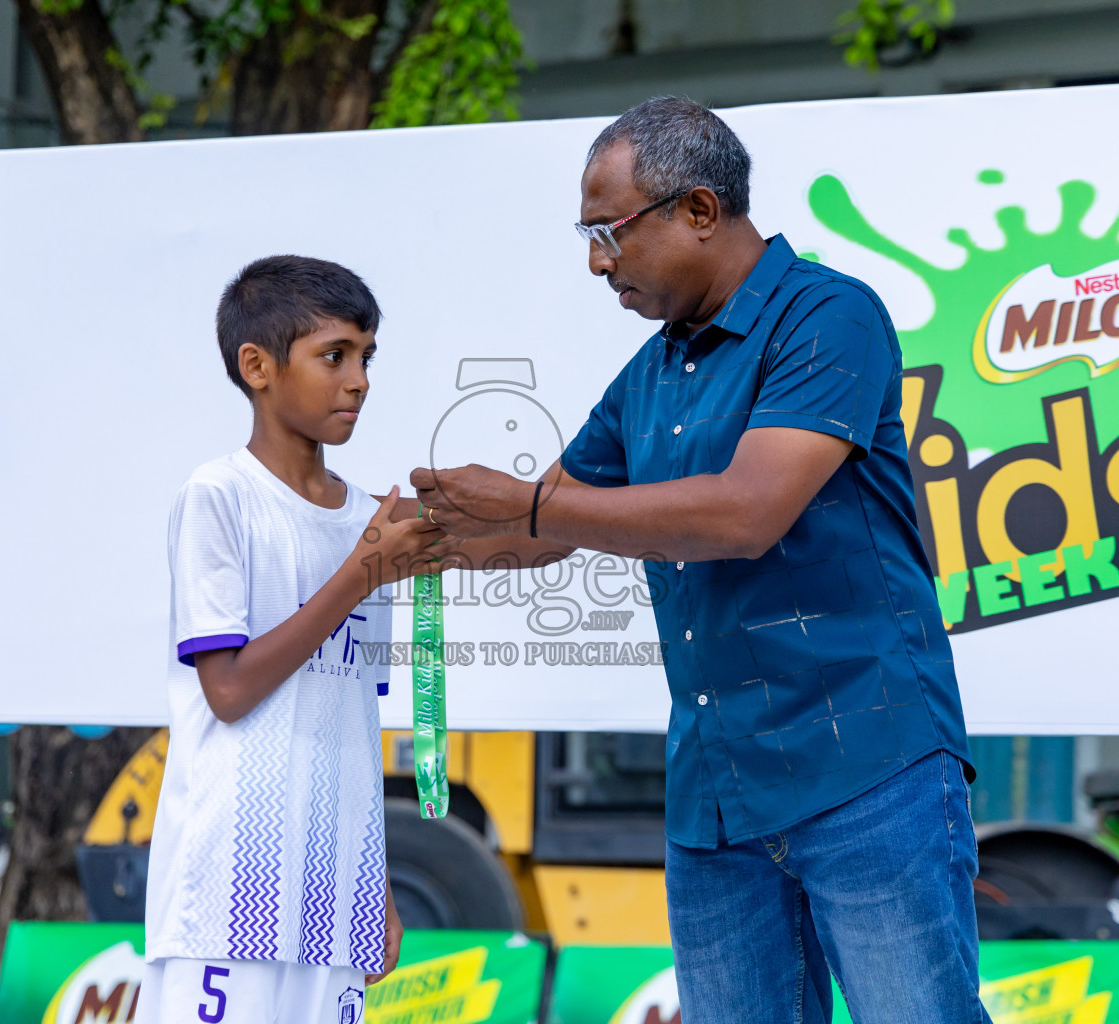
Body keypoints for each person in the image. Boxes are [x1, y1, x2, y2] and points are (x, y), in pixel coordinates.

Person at [411, 98, 991, 1023]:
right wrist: (385, 535)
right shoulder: (651, 373)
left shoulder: (829, 316)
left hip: (867, 770)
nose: (597, 262)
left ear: (698, 210)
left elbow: (747, 512)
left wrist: (525, 502)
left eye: (609, 231)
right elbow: (541, 526)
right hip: (716, 800)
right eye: (587, 235)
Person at [142, 255, 443, 1024]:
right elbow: (231, 690)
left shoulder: (369, 520)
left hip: (333, 895)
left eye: (367, 357)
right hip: (226, 889)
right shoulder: (219, 497)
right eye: (334, 356)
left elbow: (351, 722)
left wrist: (373, 883)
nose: (360, 380)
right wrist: (360, 574)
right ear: (257, 367)